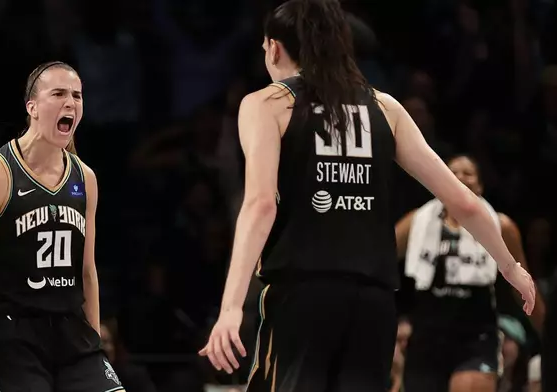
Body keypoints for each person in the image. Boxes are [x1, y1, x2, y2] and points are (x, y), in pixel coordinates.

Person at [198, 0, 536, 391]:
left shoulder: (267, 104)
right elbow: (463, 201)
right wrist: (510, 268)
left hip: (302, 296)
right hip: (373, 305)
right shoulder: (385, 107)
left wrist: (230, 308)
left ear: (274, 47)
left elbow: (259, 205)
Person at [0, 61, 124, 392]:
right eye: (58, 93)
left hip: (71, 333)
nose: (70, 102)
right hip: (11, 333)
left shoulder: (85, 178)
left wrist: (95, 339)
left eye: (77, 95)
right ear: (32, 107)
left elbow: (87, 271)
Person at [395, 154, 546, 392]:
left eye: (468, 173)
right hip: (425, 339)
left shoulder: (501, 225)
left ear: (480, 185)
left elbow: (524, 285)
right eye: (452, 171)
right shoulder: (416, 222)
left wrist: (547, 333)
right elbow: (380, 260)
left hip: (475, 338)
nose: (459, 177)